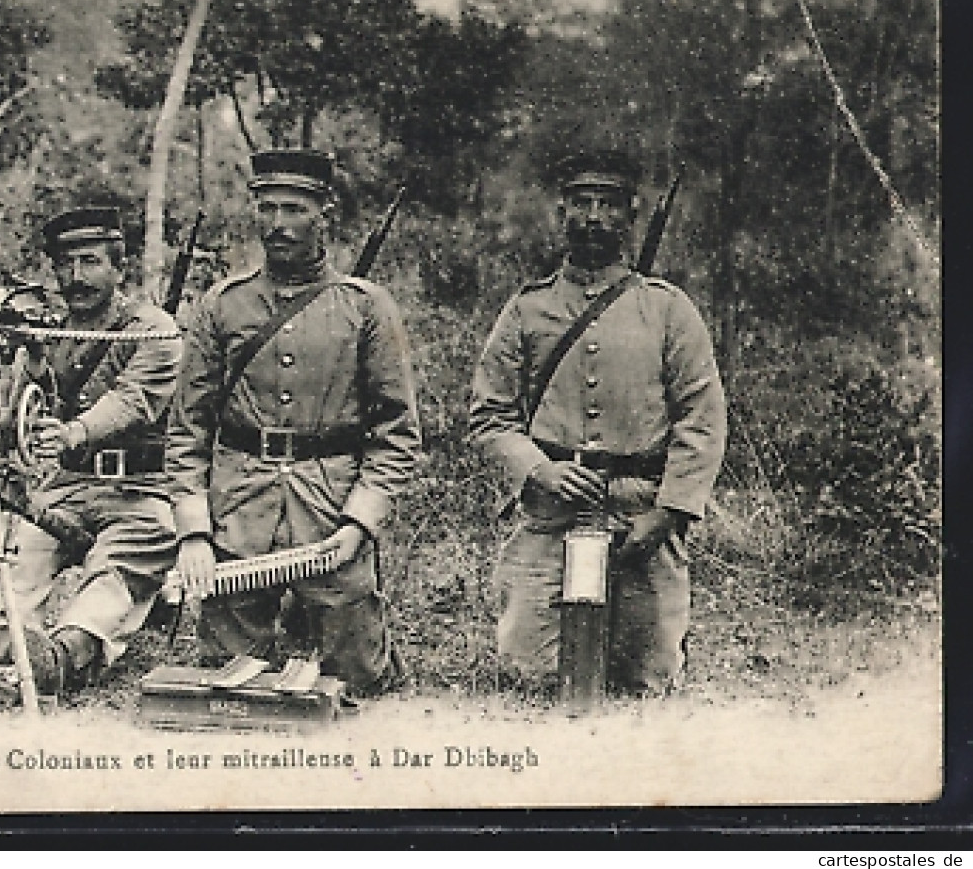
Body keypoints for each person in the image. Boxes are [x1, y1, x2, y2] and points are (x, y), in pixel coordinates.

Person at [468, 137, 727, 695]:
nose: (593, 216)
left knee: (644, 678)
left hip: (641, 514)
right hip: (548, 516)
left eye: (608, 202)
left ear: (631, 213)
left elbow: (701, 420)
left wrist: (669, 513)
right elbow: (489, 416)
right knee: (529, 674)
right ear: (561, 211)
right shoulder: (527, 309)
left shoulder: (668, 310)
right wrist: (540, 470)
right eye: (580, 202)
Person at [166, 150, 421, 697]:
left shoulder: (366, 308)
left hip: (329, 510)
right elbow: (187, 431)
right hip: (239, 510)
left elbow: (396, 435)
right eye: (268, 208)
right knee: (226, 685)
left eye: (295, 210)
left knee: (356, 680)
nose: (278, 225)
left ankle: (332, 625)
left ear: (325, 213)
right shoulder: (222, 306)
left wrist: (359, 525)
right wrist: (193, 532)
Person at [0, 206, 183, 695]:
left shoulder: (155, 331)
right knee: (18, 567)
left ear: (118, 269)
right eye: (65, 265)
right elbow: (15, 421)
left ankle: (66, 657)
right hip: (68, 488)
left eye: (90, 262)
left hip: (139, 492)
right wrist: (32, 364)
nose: (75, 277)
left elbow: (132, 401)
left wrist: (71, 434)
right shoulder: (56, 331)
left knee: (113, 575)